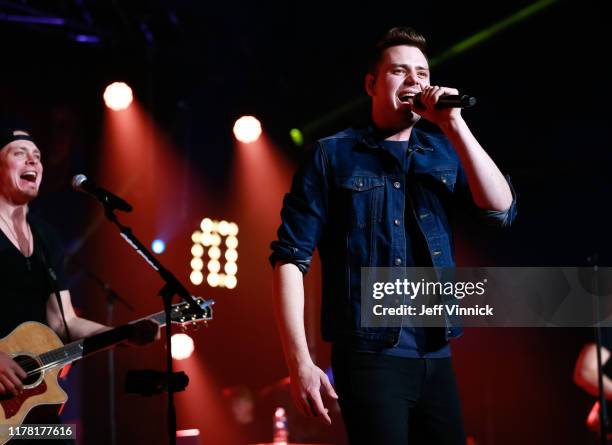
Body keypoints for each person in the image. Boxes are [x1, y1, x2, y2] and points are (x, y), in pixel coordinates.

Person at [270, 27, 517, 444]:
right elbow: (289, 258)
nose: (414, 82)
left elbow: (500, 210)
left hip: (436, 354)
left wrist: (455, 125)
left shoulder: (443, 150)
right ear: (371, 84)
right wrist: (300, 362)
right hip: (370, 357)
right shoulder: (332, 155)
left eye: (421, 74)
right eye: (399, 72)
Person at [0, 124, 157, 443]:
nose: (33, 161)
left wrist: (123, 335)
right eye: (20, 154)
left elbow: (64, 320)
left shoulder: (46, 238)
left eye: (38, 157)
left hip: (25, 411)